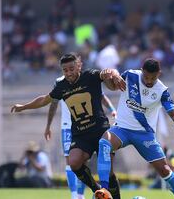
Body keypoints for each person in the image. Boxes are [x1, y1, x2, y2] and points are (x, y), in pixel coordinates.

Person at [11, 53, 125, 198]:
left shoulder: (90, 76)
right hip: (80, 134)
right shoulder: (61, 86)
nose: (69, 73)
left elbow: (105, 74)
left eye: (72, 68)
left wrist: (113, 74)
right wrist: (24, 106)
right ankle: (97, 191)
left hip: (100, 130)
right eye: (65, 70)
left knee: (108, 172)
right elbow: (45, 100)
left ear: (79, 66)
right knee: (74, 162)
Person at [95, 58, 174, 199]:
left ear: (159, 73)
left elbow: (173, 112)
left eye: (153, 77)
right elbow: (112, 86)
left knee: (165, 170)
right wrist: (112, 75)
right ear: (142, 71)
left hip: (145, 134)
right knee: (104, 143)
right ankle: (104, 191)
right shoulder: (131, 75)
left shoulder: (162, 90)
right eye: (146, 77)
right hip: (122, 129)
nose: (149, 81)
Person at [47, 94, 116, 199]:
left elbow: (101, 95)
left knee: (86, 162)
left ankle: (82, 194)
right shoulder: (60, 84)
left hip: (87, 126)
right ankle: (76, 196)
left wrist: (112, 109)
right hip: (67, 127)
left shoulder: (88, 78)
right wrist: (48, 126)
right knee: (70, 161)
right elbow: (51, 102)